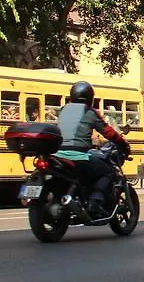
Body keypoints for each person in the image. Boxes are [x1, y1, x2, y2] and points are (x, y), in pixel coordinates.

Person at [55, 81, 129, 218]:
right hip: (78, 156)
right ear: (90, 97)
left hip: (57, 155)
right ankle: (95, 200)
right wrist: (122, 143)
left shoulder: (63, 110)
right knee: (108, 172)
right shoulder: (89, 112)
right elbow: (108, 132)